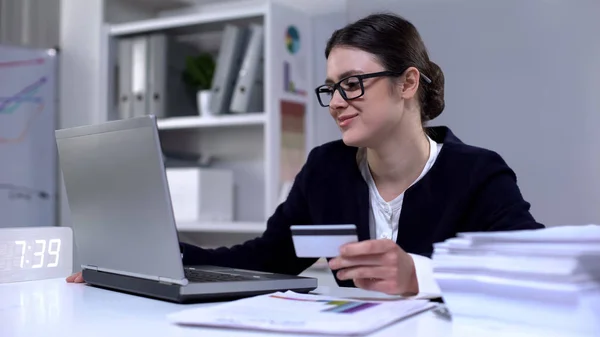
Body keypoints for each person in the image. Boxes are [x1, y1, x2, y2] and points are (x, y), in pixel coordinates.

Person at [67, 12, 544, 296]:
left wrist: (421, 274)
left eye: (353, 84)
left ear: (408, 82)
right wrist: (154, 253)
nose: (336, 102)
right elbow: (268, 258)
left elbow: (541, 274)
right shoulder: (327, 168)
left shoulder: (476, 173)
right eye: (330, 88)